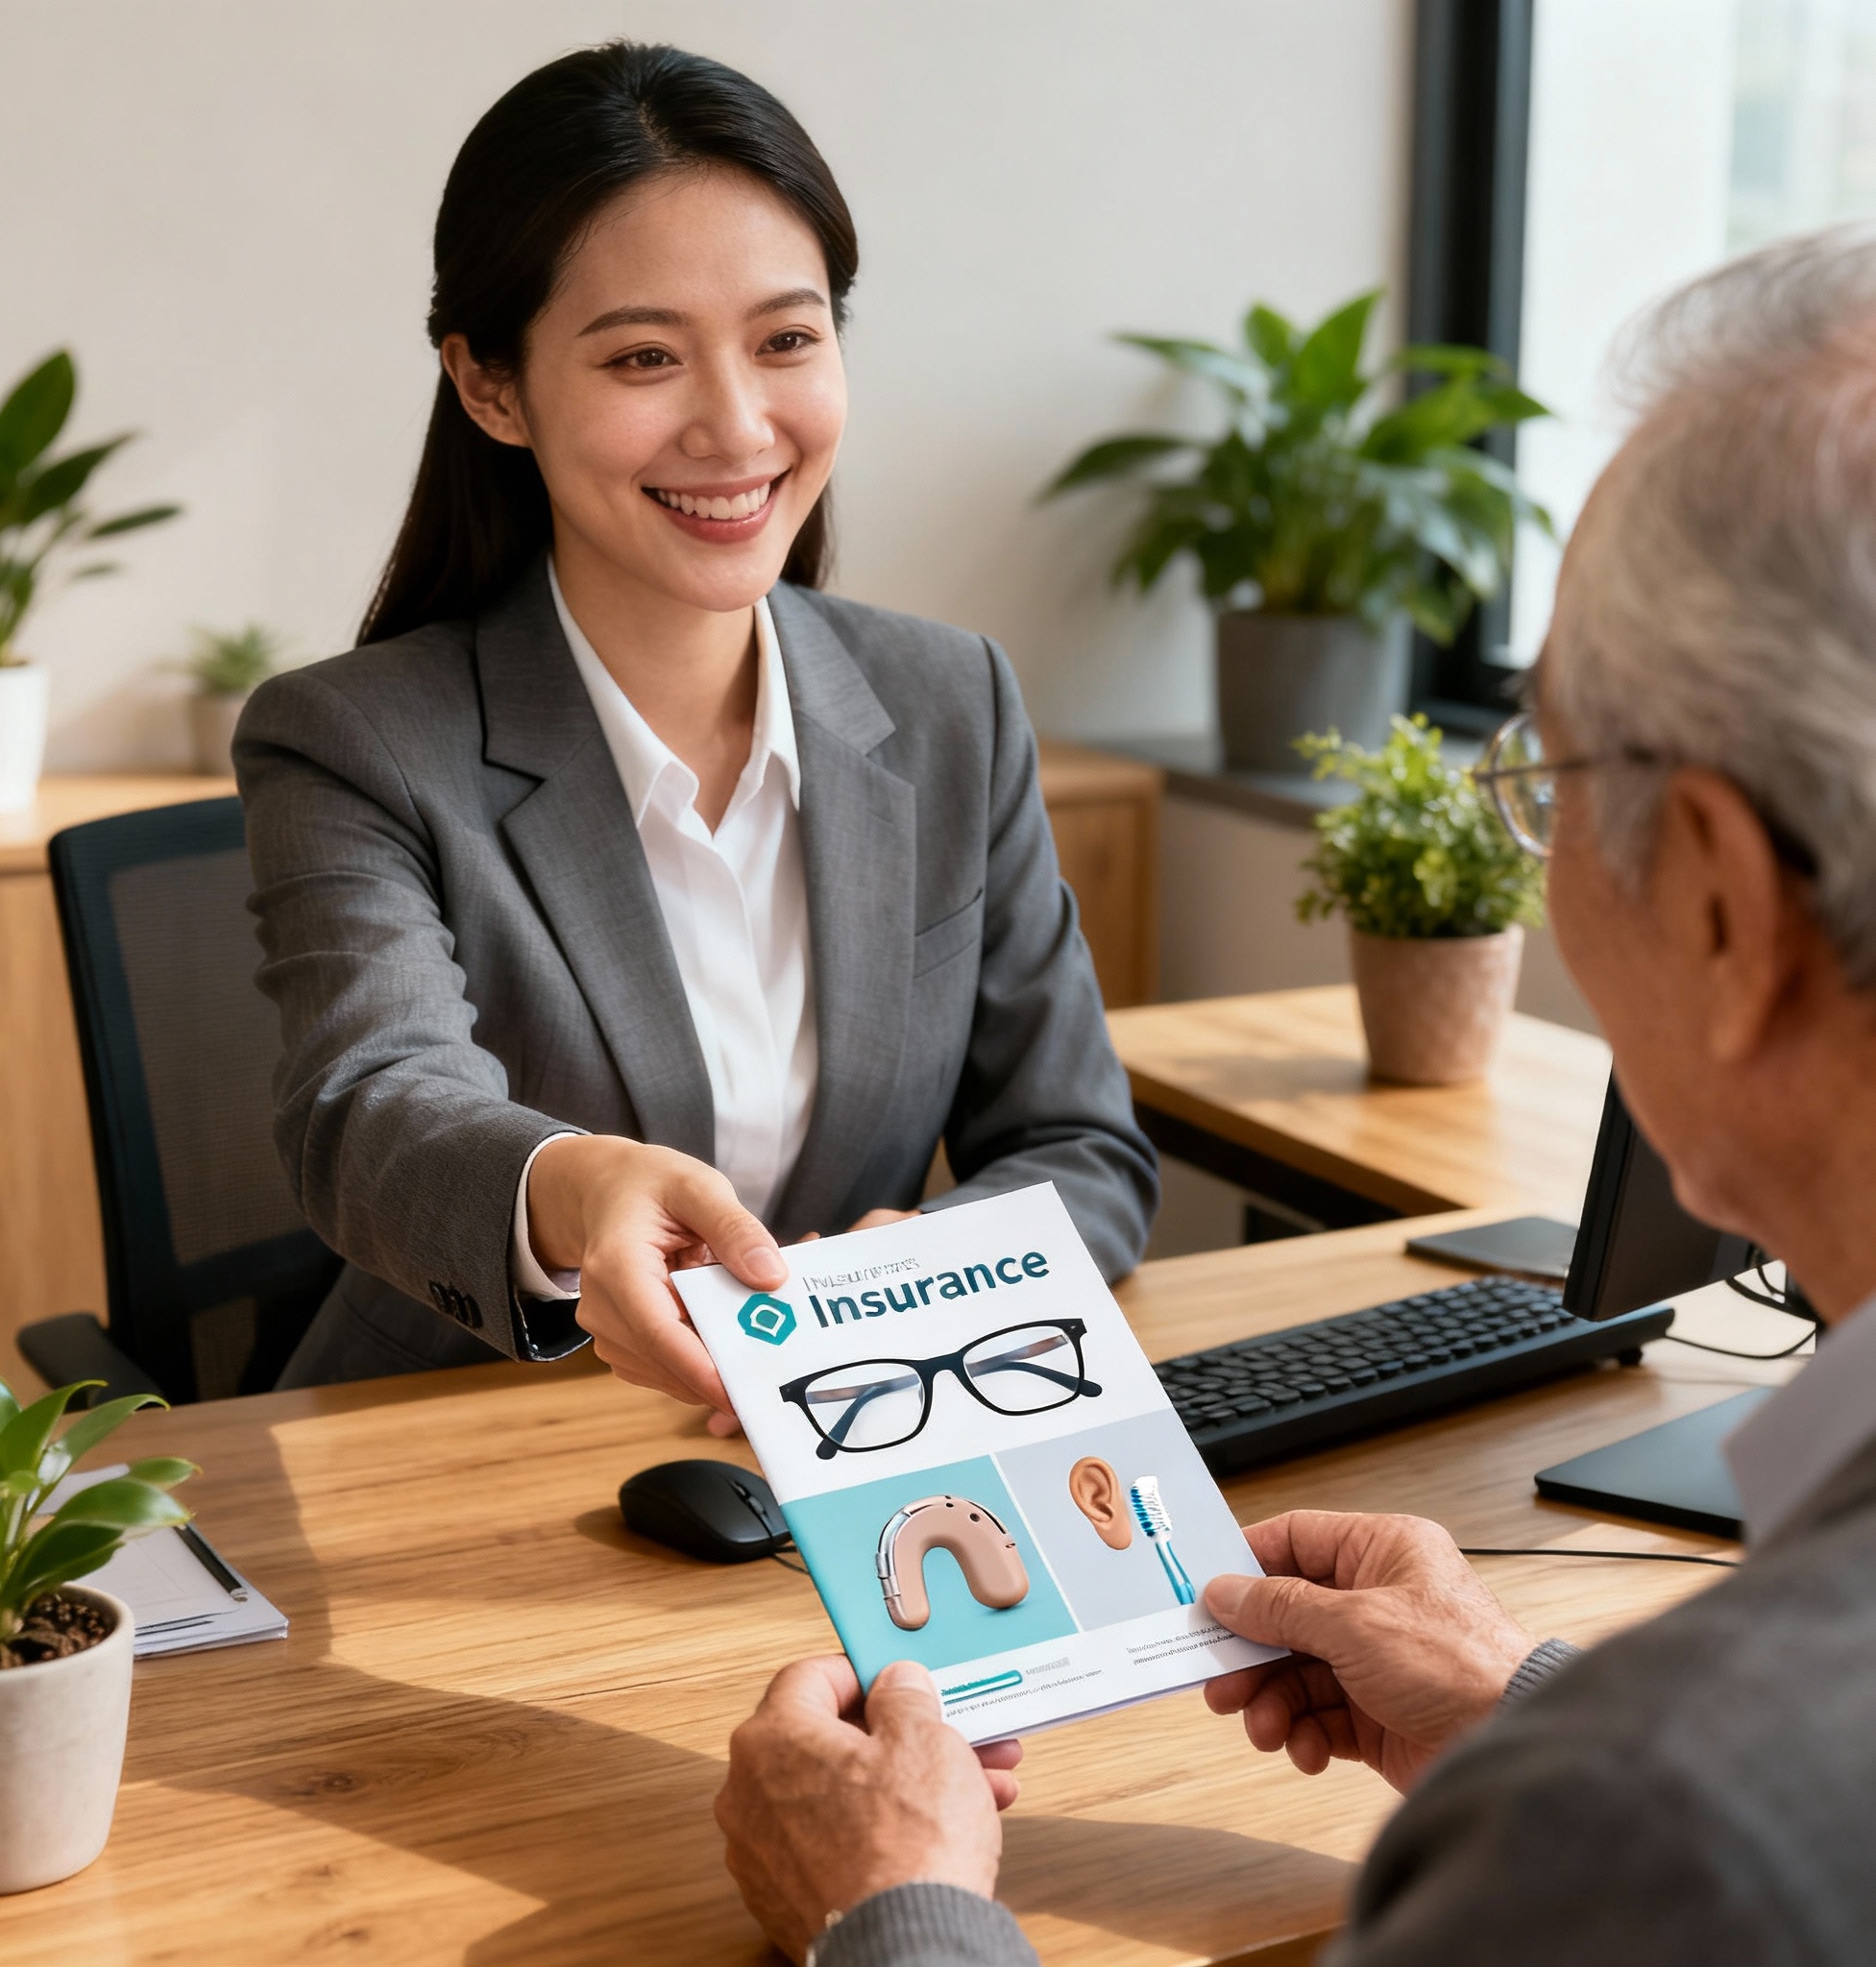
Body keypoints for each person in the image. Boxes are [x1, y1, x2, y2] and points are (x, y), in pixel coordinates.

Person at [716, 224, 1876, 1965]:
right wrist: (1524, 1709)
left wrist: (894, 1906)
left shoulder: (1669, 1819)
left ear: (1716, 899)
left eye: (1543, 774)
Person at [233, 43, 1157, 1399]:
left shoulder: (954, 701)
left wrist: (921, 1282)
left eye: (788, 339)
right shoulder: (353, 741)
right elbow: (368, 1110)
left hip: (858, 1426)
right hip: (453, 1444)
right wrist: (574, 1180)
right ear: (492, 386)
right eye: (645, 358)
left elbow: (1082, 1148)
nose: (736, 428)